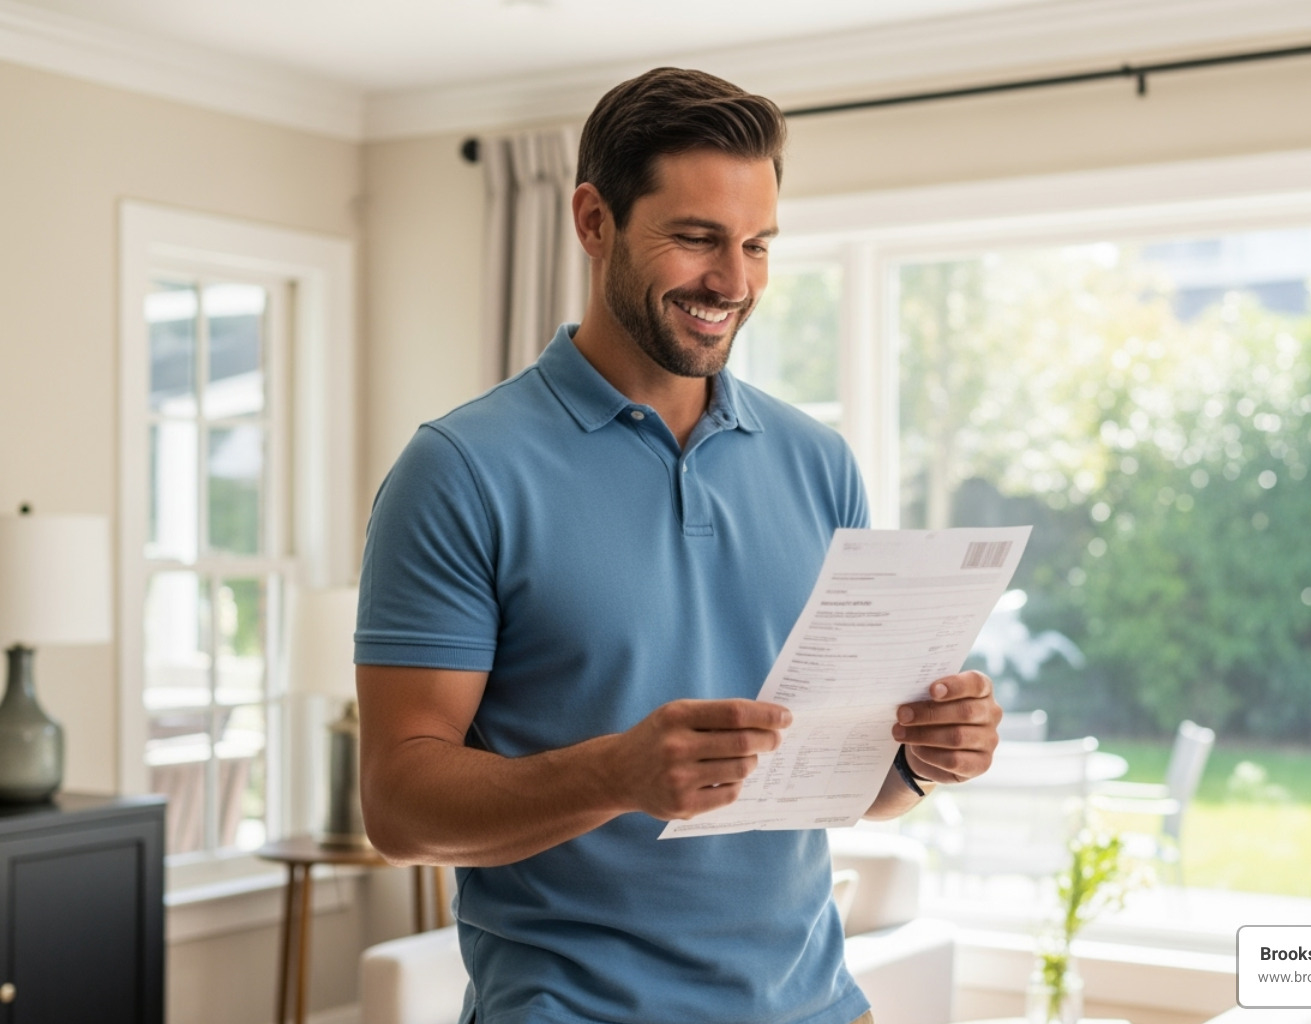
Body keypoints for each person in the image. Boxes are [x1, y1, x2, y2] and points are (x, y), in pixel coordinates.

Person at [354, 67, 1003, 1024]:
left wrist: (922, 758)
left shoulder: (820, 465)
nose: (732, 282)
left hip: (816, 1007)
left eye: (756, 245)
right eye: (696, 238)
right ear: (593, 221)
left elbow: (848, 780)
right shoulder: (459, 470)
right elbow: (400, 805)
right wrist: (616, 774)